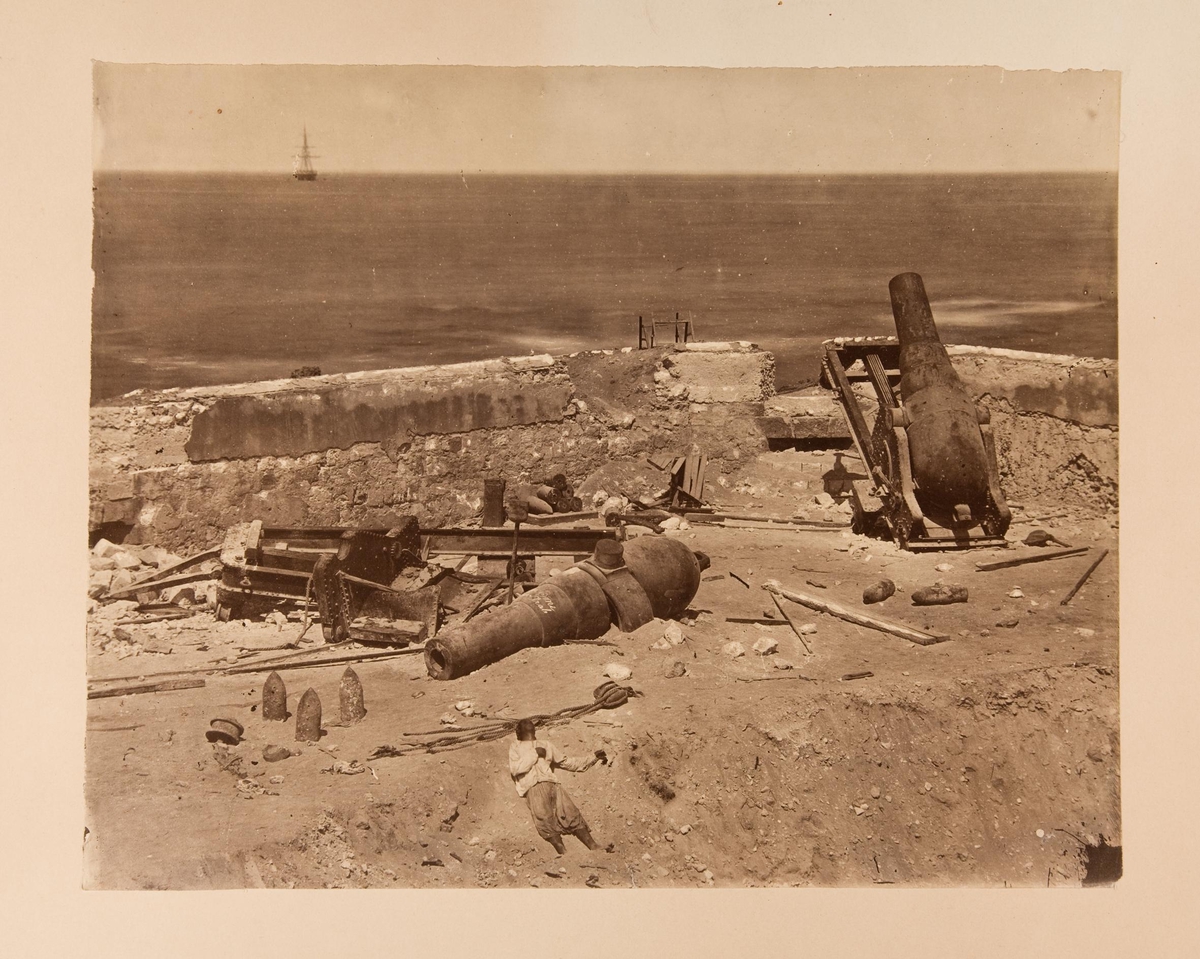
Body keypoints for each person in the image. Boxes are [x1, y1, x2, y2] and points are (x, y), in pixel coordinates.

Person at [509, 718, 605, 855]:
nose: (528, 722)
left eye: (529, 722)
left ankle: (593, 846)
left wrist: (592, 758)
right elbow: (515, 769)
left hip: (552, 784)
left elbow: (566, 762)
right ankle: (564, 853)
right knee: (544, 819)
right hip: (534, 787)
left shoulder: (546, 745)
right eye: (524, 722)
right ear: (518, 730)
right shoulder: (515, 747)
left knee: (571, 812)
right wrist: (535, 754)